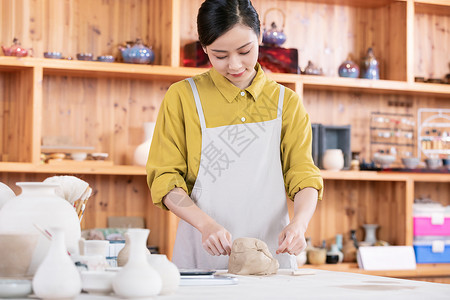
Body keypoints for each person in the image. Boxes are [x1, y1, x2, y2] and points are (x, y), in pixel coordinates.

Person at [147, 0, 323, 270]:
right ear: (204, 48)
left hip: (271, 253)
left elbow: (303, 174)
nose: (235, 64)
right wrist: (205, 224)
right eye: (220, 55)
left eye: (245, 51)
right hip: (203, 249)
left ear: (260, 37)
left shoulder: (284, 102)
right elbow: (166, 180)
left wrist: (299, 223)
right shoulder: (183, 97)